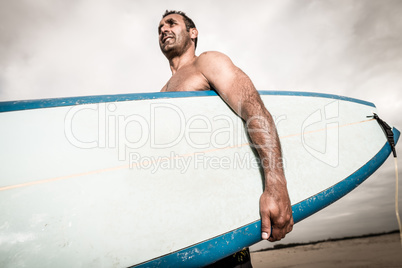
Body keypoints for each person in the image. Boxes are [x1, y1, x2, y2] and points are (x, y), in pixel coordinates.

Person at [158, 10, 294, 267]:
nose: (163, 29)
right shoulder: (161, 91)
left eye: (171, 23)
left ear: (193, 33)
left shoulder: (206, 63)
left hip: (222, 225)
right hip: (184, 231)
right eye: (159, 28)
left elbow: (253, 110)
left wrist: (276, 186)